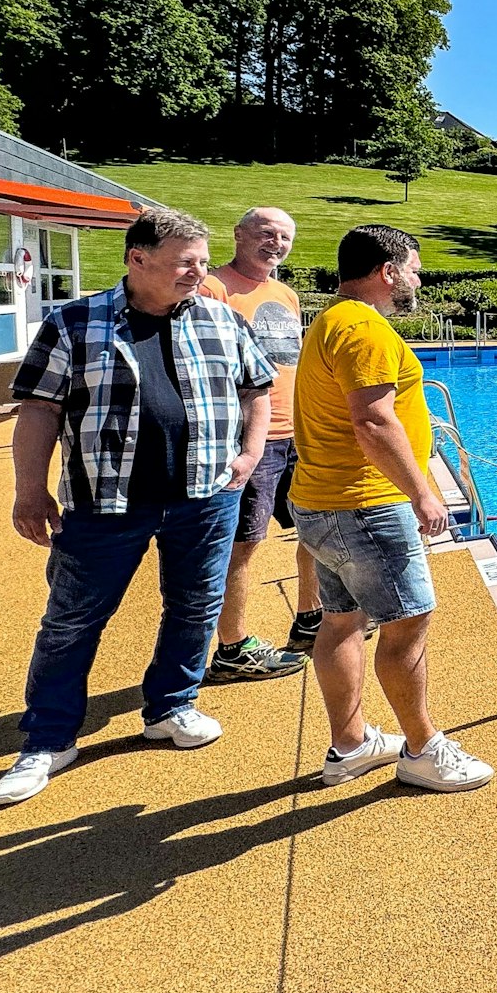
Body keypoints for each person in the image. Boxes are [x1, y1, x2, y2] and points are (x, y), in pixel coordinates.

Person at [0, 208, 274, 807]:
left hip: (204, 498)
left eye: (202, 261)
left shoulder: (220, 318)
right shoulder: (75, 321)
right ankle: (47, 739)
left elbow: (257, 389)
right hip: (103, 502)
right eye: (184, 263)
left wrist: (248, 456)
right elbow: (38, 409)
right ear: (137, 259)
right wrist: (29, 488)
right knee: (72, 621)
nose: (199, 273)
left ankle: (171, 706)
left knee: (195, 608)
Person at [290, 224, 492, 792]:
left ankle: (350, 746)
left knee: (341, 621)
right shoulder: (365, 329)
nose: (418, 278)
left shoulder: (331, 320)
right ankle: (424, 751)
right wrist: (424, 492)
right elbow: (373, 421)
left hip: (323, 499)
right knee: (408, 622)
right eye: (414, 268)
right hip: (365, 505)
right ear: (388, 270)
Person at [201, 208, 312, 680]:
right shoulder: (214, 288)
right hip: (248, 436)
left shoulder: (285, 293)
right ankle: (232, 647)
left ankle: (311, 617)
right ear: (239, 235)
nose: (277, 243)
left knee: (315, 527)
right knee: (244, 543)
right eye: (267, 233)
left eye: (285, 237)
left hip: (296, 433)